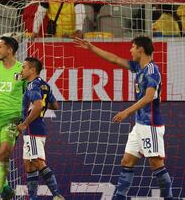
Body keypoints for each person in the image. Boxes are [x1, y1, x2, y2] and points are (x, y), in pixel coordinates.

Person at [74, 36, 173, 200]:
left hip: (151, 125)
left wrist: (126, 112)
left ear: (141, 49)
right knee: (127, 161)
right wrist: (92, 48)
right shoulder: (138, 67)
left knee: (156, 165)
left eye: (133, 47)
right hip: (140, 125)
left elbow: (149, 97)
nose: (130, 50)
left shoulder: (151, 71)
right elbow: (114, 59)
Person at [16, 57, 64, 200]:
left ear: (32, 70)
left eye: (24, 67)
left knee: (37, 162)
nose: (21, 70)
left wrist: (25, 124)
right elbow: (55, 105)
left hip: (32, 129)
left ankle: (57, 195)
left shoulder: (31, 86)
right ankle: (33, 198)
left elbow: (37, 105)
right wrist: (41, 104)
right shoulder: (45, 85)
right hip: (35, 130)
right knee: (29, 166)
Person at [0, 36, 25, 199]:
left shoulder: (23, 70)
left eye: (0, 47)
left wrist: (24, 118)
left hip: (12, 121)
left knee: (3, 154)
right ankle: (6, 188)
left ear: (10, 50)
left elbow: (29, 95)